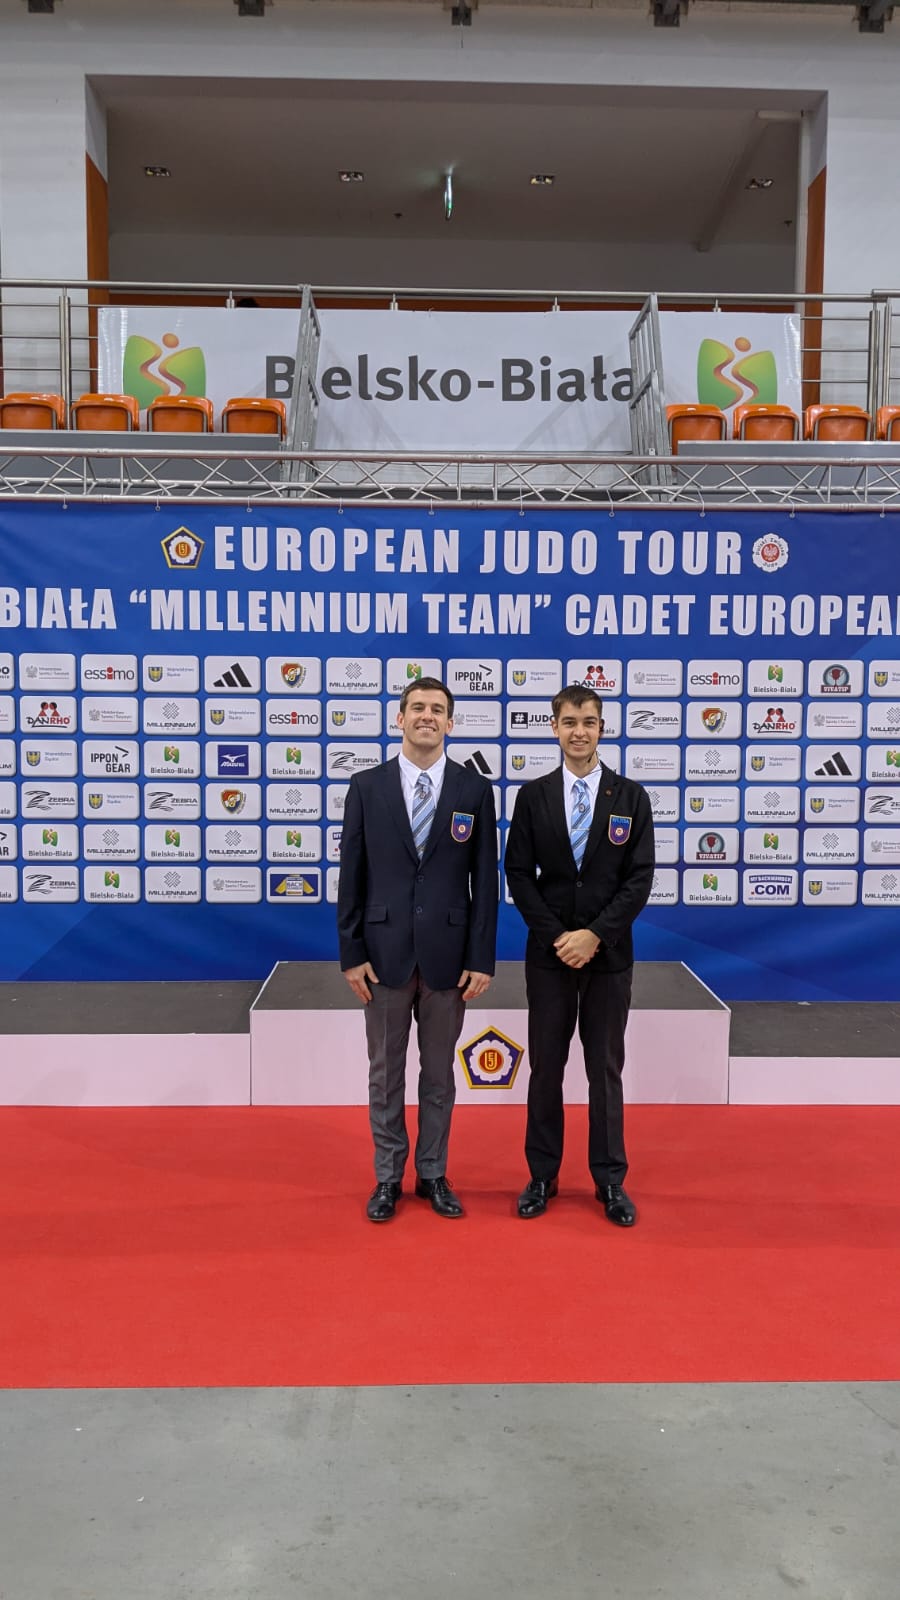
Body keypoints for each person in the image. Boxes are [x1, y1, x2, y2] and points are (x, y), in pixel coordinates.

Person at [338, 677, 498, 1223]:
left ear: (451, 723)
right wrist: (350, 951)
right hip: (381, 956)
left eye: (438, 710)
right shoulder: (366, 786)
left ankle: (432, 1173)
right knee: (385, 1073)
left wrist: (481, 958)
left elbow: (485, 883)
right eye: (418, 708)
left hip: (448, 959)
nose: (427, 717)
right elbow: (351, 877)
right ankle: (388, 1176)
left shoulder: (474, 791)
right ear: (399, 719)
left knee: (438, 1074)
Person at [504, 683, 654, 1227]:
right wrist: (557, 938)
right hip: (549, 958)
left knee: (604, 1070)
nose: (579, 732)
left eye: (588, 722)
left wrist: (594, 935)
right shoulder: (532, 795)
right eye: (569, 722)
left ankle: (610, 1180)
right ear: (554, 727)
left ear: (602, 728)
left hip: (609, 959)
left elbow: (638, 880)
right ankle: (542, 1175)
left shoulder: (630, 798)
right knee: (545, 1068)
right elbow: (518, 875)